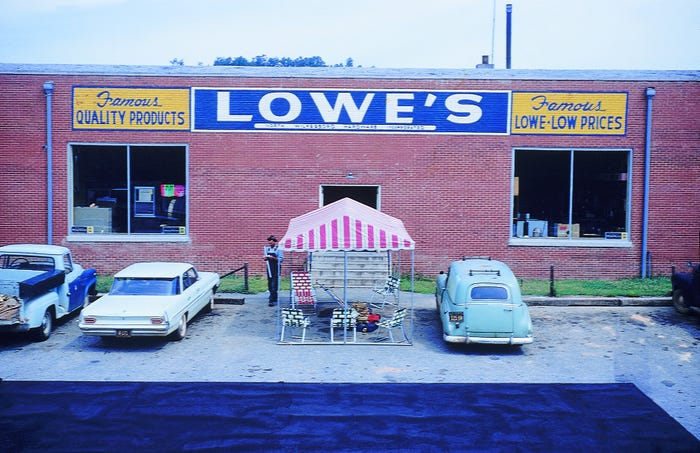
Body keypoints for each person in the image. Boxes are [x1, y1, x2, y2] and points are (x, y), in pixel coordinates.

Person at [264, 235, 284, 306]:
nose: (270, 242)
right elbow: (265, 258)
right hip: (269, 267)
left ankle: (271, 300)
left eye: (271, 241)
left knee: (274, 283)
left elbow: (281, 259)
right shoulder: (267, 249)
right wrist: (265, 258)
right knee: (269, 282)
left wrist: (273, 258)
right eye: (269, 241)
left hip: (276, 267)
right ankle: (273, 296)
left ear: (274, 242)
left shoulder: (278, 249)